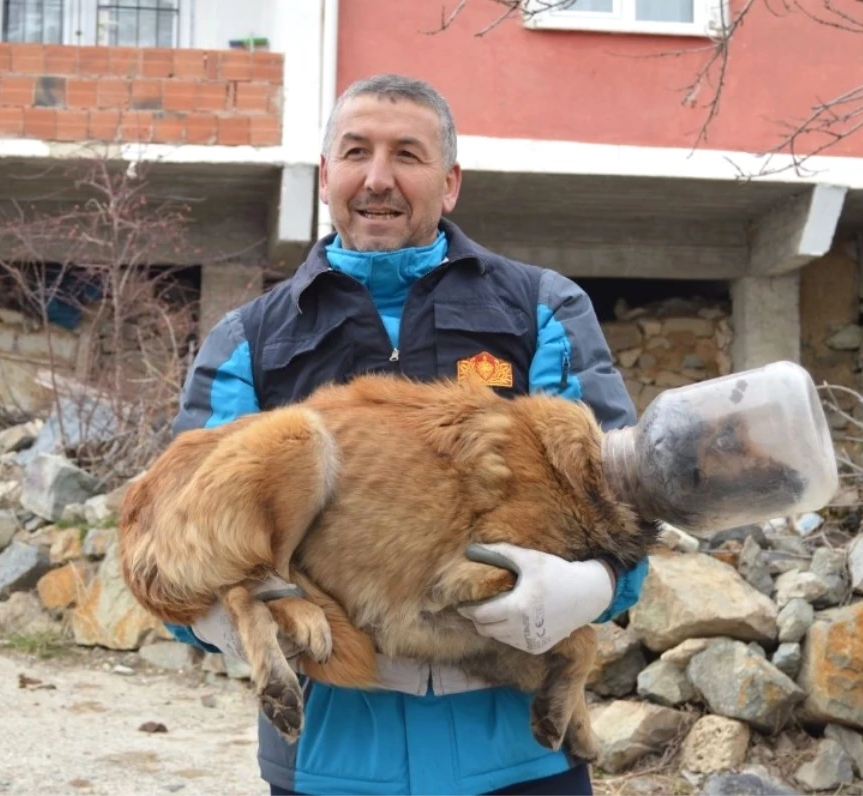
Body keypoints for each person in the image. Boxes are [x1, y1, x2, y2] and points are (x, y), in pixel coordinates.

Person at [165, 73, 650, 796]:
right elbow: (183, 534)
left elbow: (628, 491)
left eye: (408, 155)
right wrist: (227, 619)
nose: (378, 179)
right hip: (330, 766)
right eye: (356, 152)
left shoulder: (540, 309)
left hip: (522, 761)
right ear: (326, 174)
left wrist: (593, 586)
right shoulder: (250, 340)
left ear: (449, 183)